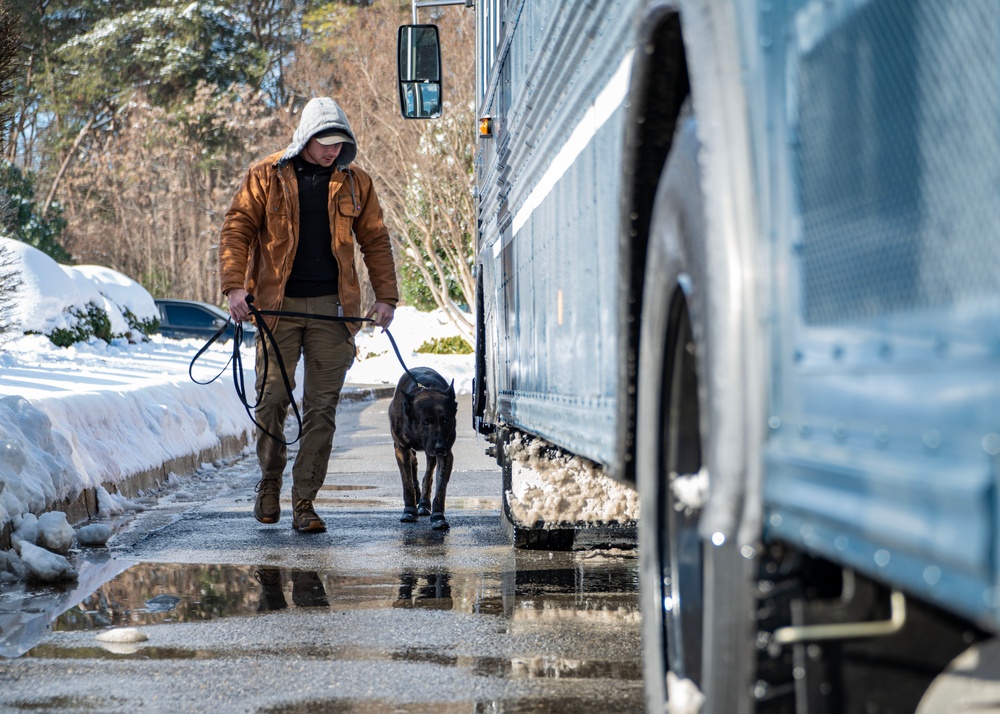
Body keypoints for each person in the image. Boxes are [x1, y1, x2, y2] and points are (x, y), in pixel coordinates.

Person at [219, 96, 398, 533]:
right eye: (325, 141)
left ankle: (304, 502)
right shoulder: (266, 176)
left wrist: (386, 297)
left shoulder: (357, 183)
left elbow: (374, 239)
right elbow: (237, 227)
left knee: (322, 410)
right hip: (275, 310)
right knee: (272, 400)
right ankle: (269, 482)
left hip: (333, 312)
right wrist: (234, 285)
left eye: (340, 143)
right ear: (305, 137)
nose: (332, 150)